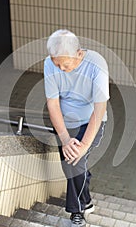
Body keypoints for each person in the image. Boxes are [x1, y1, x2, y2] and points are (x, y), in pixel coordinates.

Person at [44, 29, 110, 226]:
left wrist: (83, 146)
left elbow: (99, 110)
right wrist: (64, 139)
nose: (61, 69)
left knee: (73, 162)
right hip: (65, 122)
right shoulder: (50, 64)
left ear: (79, 54)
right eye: (57, 64)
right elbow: (53, 103)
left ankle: (77, 210)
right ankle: (86, 199)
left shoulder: (97, 65)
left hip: (91, 121)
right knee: (70, 165)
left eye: (66, 64)